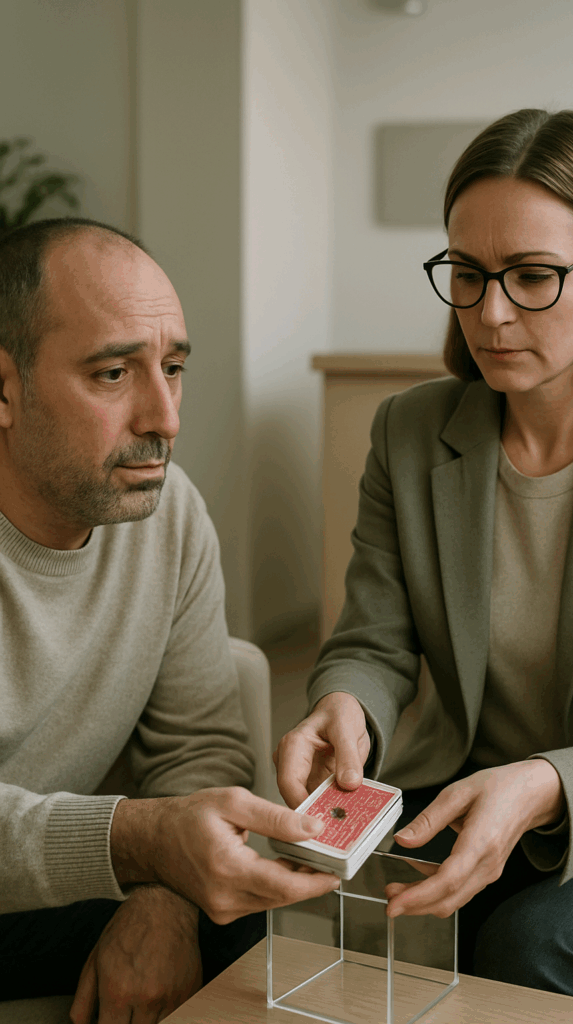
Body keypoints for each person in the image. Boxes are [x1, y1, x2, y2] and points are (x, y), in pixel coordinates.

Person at [275, 108, 573, 1007]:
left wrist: (541, 784)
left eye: (533, 276)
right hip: (470, 783)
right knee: (263, 902)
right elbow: (372, 639)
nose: (490, 313)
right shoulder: (411, 430)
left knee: (530, 948)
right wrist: (344, 702)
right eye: (466, 274)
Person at [0, 218, 339, 1020]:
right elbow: (152, 828)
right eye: (113, 373)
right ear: (5, 389)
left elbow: (199, 743)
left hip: (45, 880)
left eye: (174, 367)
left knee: (231, 925)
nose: (166, 418)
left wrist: (165, 899)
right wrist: (142, 842)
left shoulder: (167, 512)